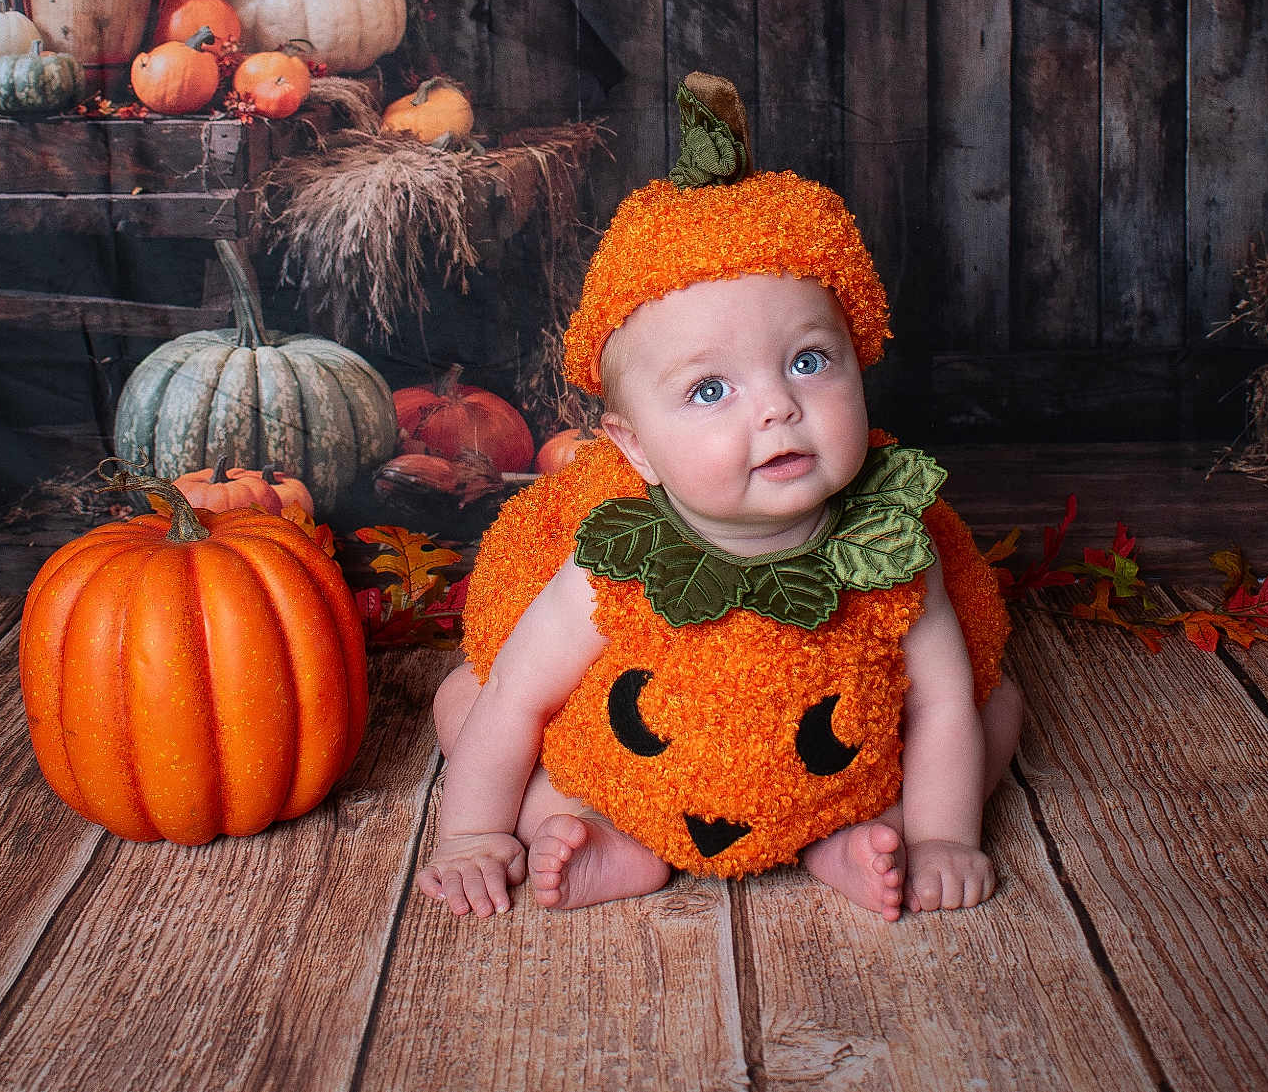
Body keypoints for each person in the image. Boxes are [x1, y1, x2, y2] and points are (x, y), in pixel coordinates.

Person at [416, 74, 1024, 921]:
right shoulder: (614, 560)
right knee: (471, 699)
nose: (777, 405)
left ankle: (871, 833)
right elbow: (519, 697)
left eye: (809, 361)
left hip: (832, 781)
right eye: (709, 390)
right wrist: (472, 835)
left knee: (994, 704)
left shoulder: (887, 550)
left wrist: (945, 836)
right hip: (640, 780)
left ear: (858, 360)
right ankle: (585, 827)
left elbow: (944, 703)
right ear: (634, 449)